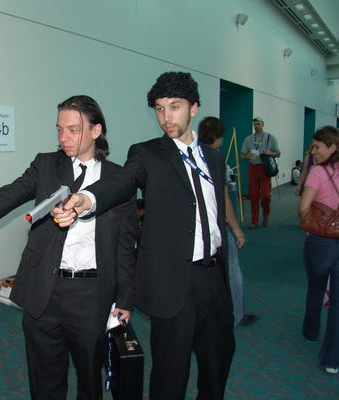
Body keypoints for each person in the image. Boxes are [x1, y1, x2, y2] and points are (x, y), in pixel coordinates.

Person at [0, 95, 138, 400]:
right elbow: (9, 194)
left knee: (89, 378)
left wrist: (125, 298)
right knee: (44, 379)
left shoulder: (119, 180)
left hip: (91, 293)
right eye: (59, 129)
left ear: (96, 131)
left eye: (73, 130)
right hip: (43, 288)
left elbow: (125, 246)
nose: (63, 137)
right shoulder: (46, 165)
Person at [56, 72, 235, 399]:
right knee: (171, 371)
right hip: (174, 280)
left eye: (175, 107)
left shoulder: (213, 158)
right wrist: (89, 198)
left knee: (218, 360)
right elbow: (123, 181)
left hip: (214, 276)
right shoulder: (147, 154)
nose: (166, 117)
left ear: (194, 108)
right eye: (160, 109)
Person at [299, 126, 339, 375]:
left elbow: (303, 208)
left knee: (316, 288)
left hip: (322, 241)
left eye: (317, 147)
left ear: (333, 147)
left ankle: (311, 332)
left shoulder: (318, 172)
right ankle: (333, 360)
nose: (313, 152)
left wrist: (310, 226)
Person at [198, 116, 258, 327]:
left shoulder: (190, 156)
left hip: (197, 227)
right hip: (216, 226)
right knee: (232, 270)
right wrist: (236, 229)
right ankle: (237, 314)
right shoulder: (216, 159)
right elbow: (223, 201)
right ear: (216, 137)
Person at [241, 117, 281, 228]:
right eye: (255, 124)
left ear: (263, 124)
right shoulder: (248, 139)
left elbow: (278, 153)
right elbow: (242, 156)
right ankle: (254, 221)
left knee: (265, 195)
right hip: (253, 168)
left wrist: (270, 153)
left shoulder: (270, 138)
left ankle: (266, 214)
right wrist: (247, 156)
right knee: (253, 195)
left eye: (258, 124)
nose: (256, 126)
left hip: (265, 169)